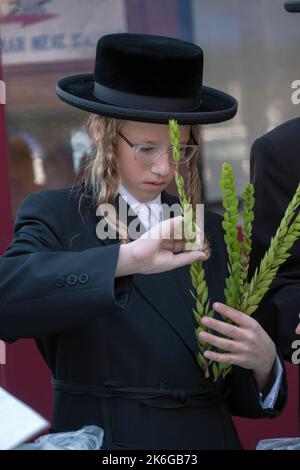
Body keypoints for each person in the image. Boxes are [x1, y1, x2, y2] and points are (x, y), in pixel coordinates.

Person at [0, 33, 287, 450]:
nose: (165, 168)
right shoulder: (57, 214)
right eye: (147, 148)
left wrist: (264, 366)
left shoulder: (211, 229)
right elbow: (8, 299)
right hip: (113, 442)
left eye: (180, 150)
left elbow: (227, 386)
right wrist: (125, 258)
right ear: (101, 132)